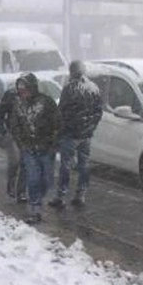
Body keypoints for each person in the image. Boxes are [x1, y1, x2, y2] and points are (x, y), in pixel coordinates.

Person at [49, 60, 103, 209]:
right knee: (84, 164)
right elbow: (98, 111)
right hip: (86, 135)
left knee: (66, 165)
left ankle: (61, 195)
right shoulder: (94, 88)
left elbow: (62, 112)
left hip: (70, 134)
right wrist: (90, 127)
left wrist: (59, 131)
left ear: (71, 71)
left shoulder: (69, 88)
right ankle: (81, 194)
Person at [10, 73, 60, 224]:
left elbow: (57, 123)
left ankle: (39, 198)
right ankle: (34, 209)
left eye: (25, 89)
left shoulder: (47, 102)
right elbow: (15, 125)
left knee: (46, 179)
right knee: (33, 178)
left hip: (46, 147)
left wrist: (52, 143)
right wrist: (21, 143)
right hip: (28, 148)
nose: (23, 92)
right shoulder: (18, 105)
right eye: (20, 89)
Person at [0, 83, 26, 202]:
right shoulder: (11, 95)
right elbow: (0, 114)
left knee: (25, 164)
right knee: (14, 162)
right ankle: (11, 186)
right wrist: (3, 130)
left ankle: (22, 191)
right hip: (12, 134)